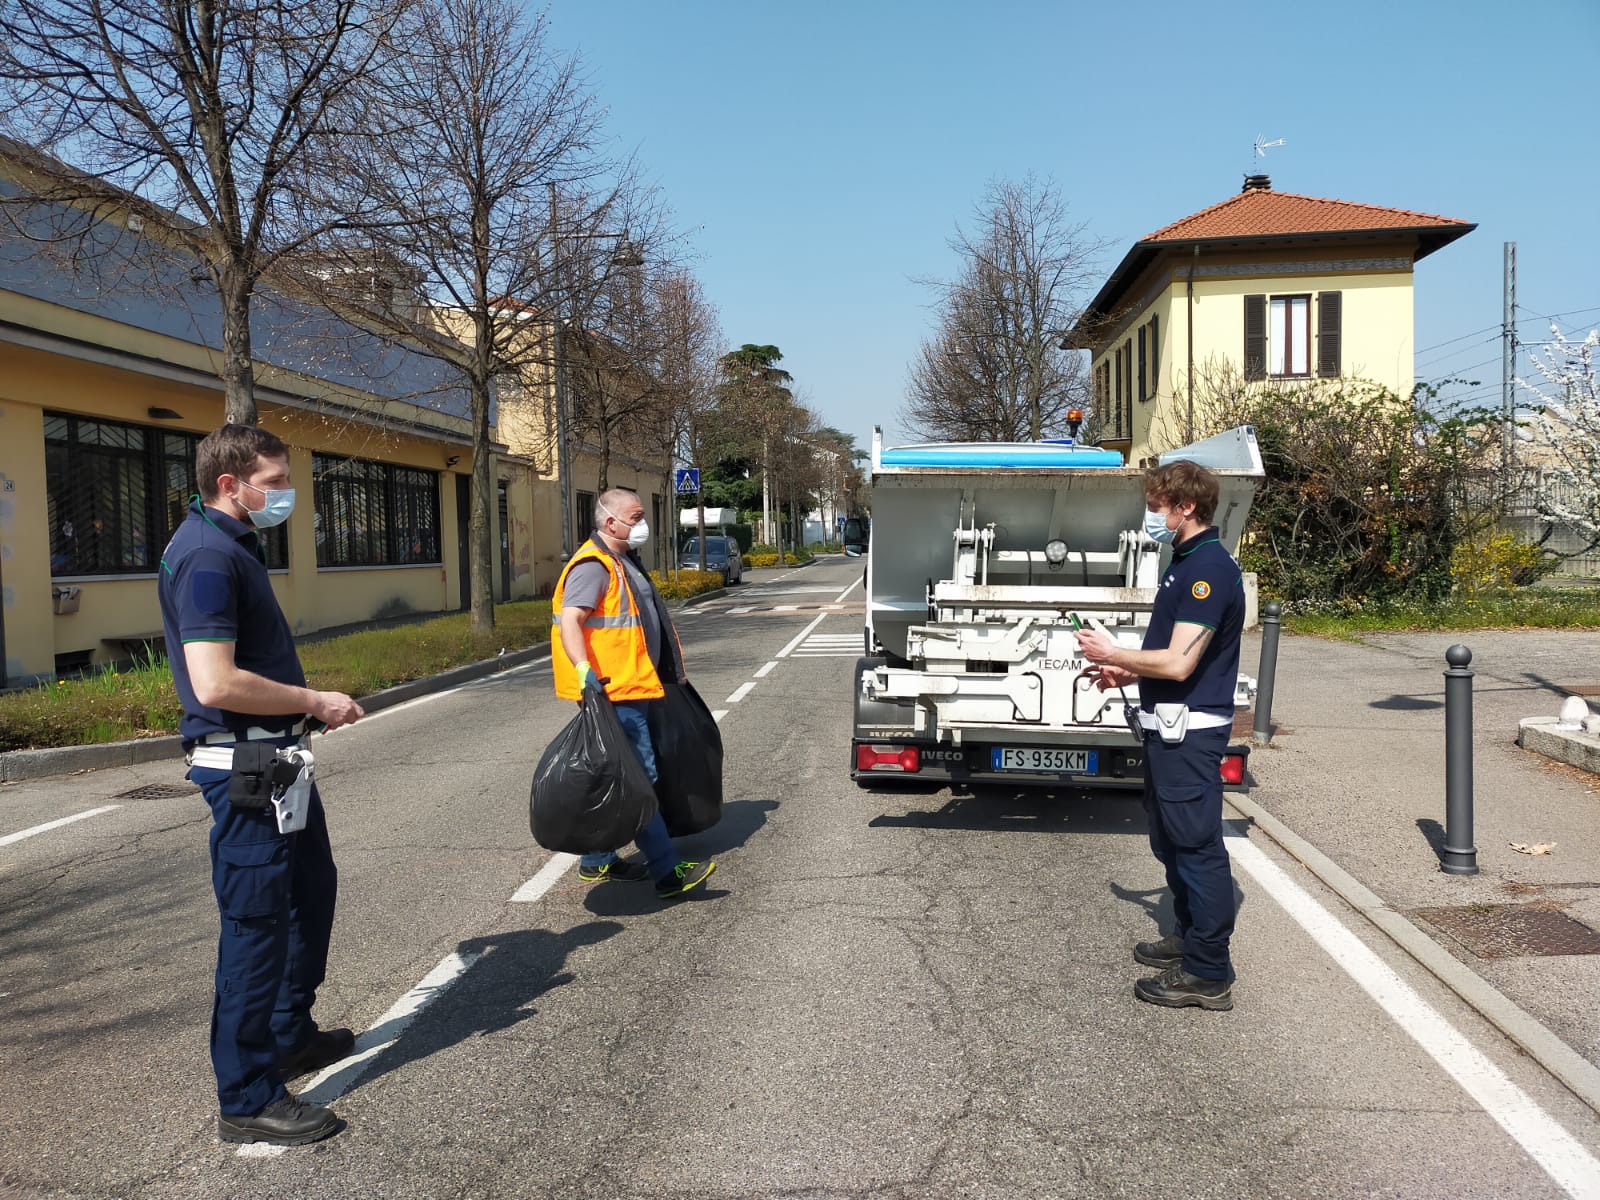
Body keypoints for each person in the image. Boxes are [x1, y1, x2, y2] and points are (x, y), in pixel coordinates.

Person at [158, 424, 364, 1145]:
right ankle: (246, 1096)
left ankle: (288, 1034)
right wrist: (313, 701)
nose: (285, 495)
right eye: (274, 483)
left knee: (311, 892)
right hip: (244, 772)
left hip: (278, 766)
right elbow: (215, 680)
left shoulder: (232, 545)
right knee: (255, 926)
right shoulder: (209, 557)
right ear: (229, 485)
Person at [1075, 460, 1245, 1012]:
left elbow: (1177, 665)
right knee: (1170, 841)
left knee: (1196, 847)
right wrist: (1125, 672)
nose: (1152, 515)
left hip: (1187, 736)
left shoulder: (1209, 571)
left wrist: (1111, 652)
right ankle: (1189, 938)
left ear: (1185, 506)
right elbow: (1180, 657)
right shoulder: (1187, 561)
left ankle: (1208, 971)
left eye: (1157, 506)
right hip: (1167, 731)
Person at [551, 487, 716, 898]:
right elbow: (572, 620)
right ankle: (666, 871)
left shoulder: (622, 561)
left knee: (618, 773)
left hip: (635, 685)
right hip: (613, 691)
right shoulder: (593, 566)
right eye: (637, 516)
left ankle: (596, 859)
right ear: (611, 521)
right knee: (638, 778)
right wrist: (585, 670)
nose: (643, 524)